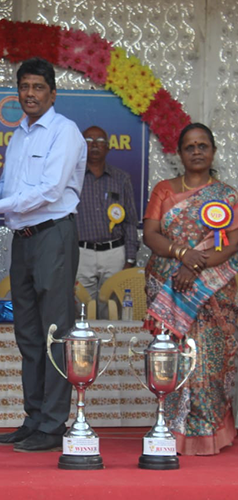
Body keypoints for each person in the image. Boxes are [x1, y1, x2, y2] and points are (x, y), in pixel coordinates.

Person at [0, 57, 86, 452]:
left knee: (56, 332)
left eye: (37, 87)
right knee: (29, 334)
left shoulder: (64, 132)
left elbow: (49, 191)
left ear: (52, 93)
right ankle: (33, 419)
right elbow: (11, 191)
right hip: (23, 239)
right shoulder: (18, 135)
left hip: (53, 236)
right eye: (24, 87)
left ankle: (53, 424)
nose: (30, 94)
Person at [143, 123, 238, 455]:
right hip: (169, 289)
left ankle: (210, 432)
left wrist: (193, 267)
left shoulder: (227, 195)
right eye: (190, 146)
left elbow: (231, 243)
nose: (197, 151)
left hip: (211, 290)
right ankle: (171, 428)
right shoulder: (164, 190)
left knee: (209, 362)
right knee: (173, 360)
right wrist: (182, 254)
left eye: (203, 145)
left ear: (213, 151)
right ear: (179, 154)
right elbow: (151, 235)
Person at [75, 125, 139, 318]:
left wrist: (129, 259)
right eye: (88, 141)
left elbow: (130, 221)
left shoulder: (121, 178)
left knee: (113, 310)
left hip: (114, 253)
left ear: (108, 147)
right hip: (81, 253)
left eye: (100, 141)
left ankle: (110, 339)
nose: (94, 145)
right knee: (82, 310)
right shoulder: (71, 178)